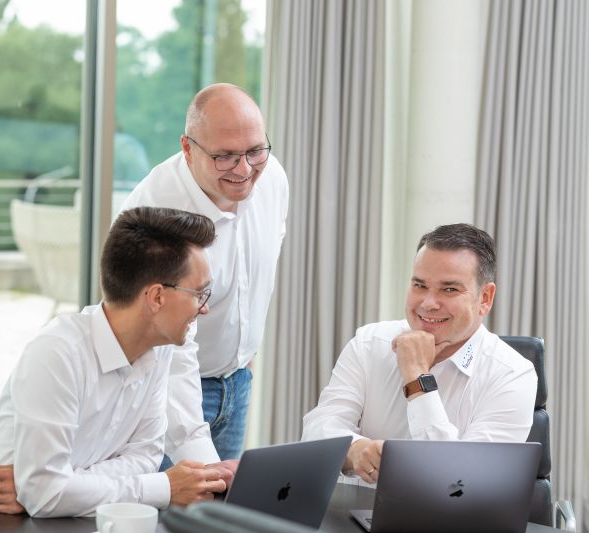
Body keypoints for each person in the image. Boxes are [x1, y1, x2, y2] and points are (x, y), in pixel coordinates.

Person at [0, 207, 228, 517]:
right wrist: (164, 488)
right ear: (156, 297)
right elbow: (48, 494)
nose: (204, 308)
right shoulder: (57, 353)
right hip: (2, 524)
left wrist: (56, 487)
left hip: (77, 522)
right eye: (199, 293)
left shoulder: (161, 349)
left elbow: (145, 457)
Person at [121, 82, 289, 465]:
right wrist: (200, 461)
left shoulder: (272, 177)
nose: (245, 169)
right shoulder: (157, 216)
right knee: (174, 514)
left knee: (218, 519)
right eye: (226, 157)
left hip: (237, 381)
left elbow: (260, 275)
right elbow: (164, 352)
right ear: (187, 149)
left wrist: (244, 359)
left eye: (255, 150)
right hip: (160, 389)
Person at [302, 223, 537, 484]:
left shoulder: (513, 374)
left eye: (449, 289)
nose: (428, 303)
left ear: (485, 298)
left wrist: (417, 377)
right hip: (354, 515)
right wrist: (352, 449)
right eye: (419, 285)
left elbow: (459, 481)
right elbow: (317, 429)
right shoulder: (369, 342)